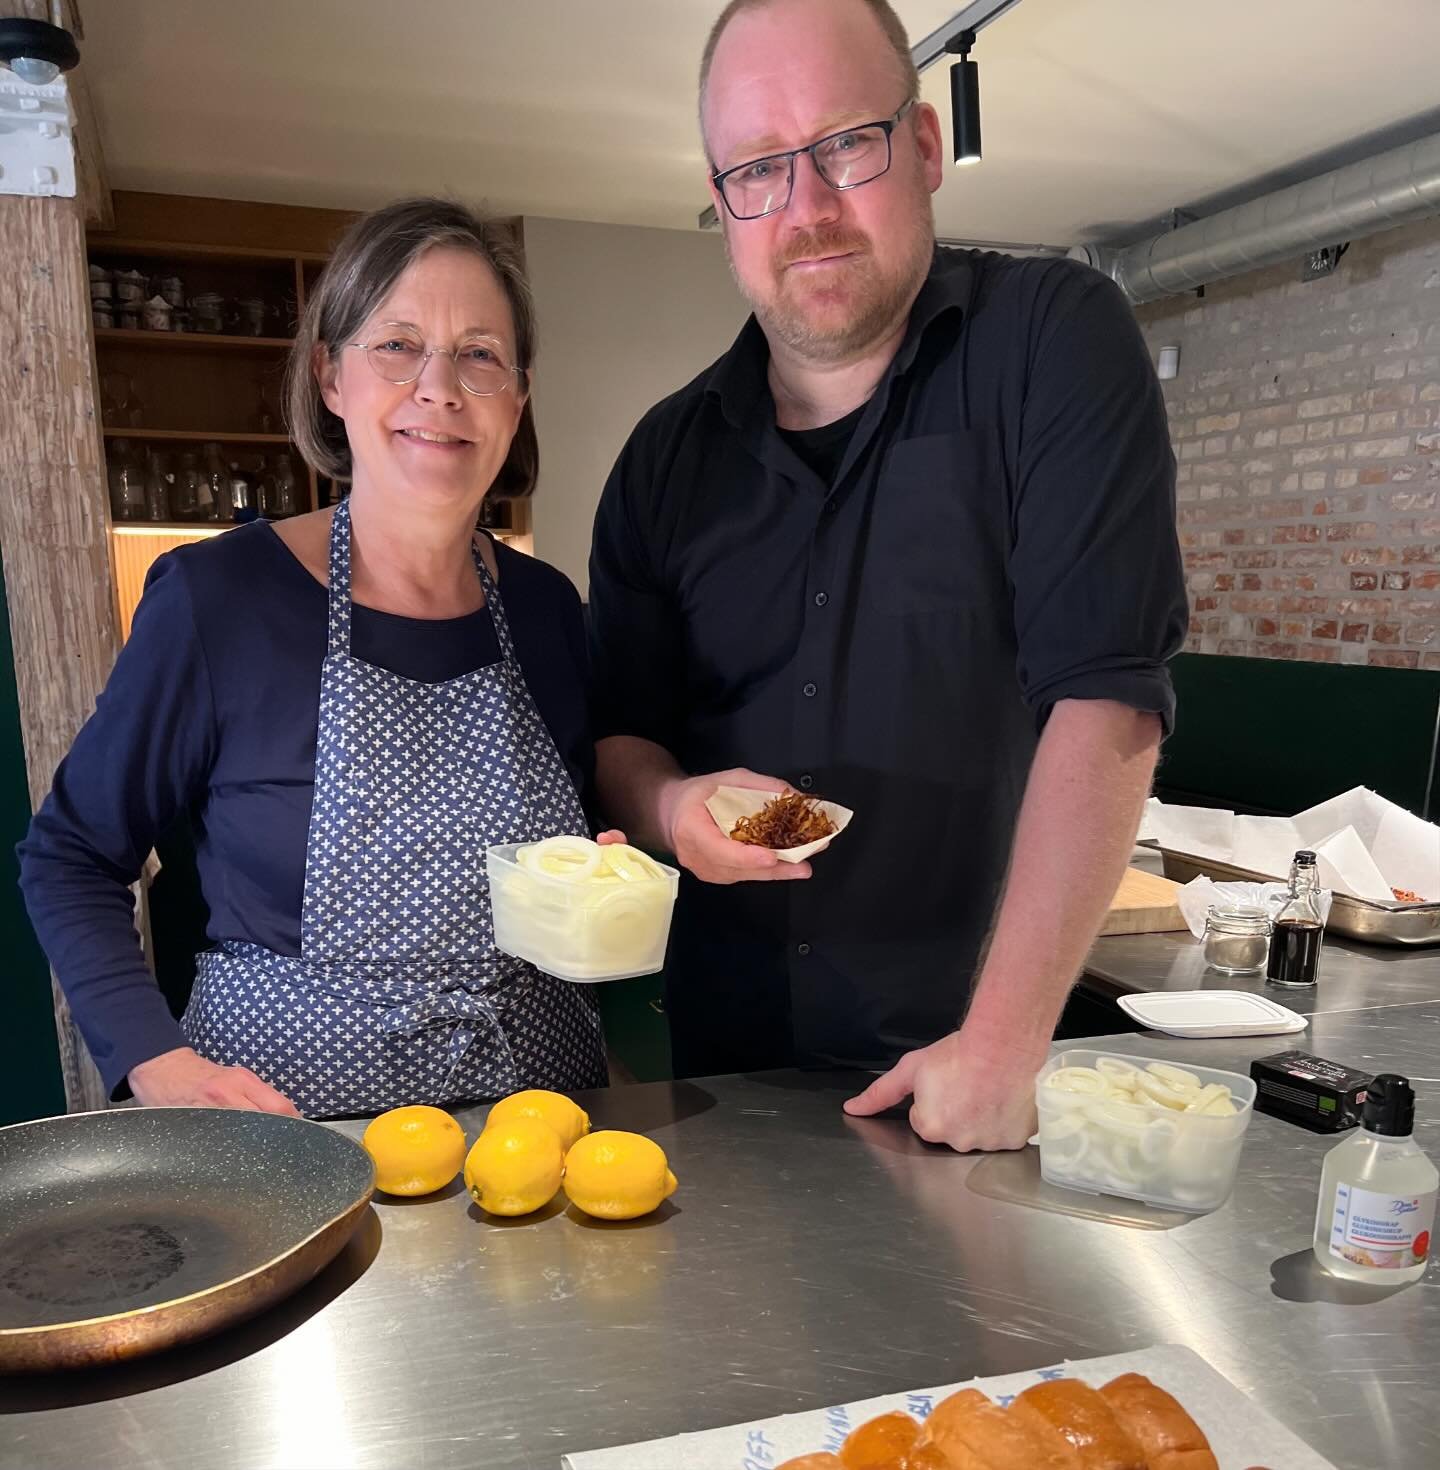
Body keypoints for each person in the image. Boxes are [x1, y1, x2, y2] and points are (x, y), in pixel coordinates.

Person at [587, 0, 1187, 1151]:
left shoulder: (1053, 341)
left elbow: (1109, 697)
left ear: (921, 147)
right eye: (758, 168)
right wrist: (670, 806)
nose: (805, 209)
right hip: (729, 1081)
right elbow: (622, 733)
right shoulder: (664, 459)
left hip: (967, 1073)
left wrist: (1004, 1042)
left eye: (844, 146)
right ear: (722, 207)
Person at [20, 198, 615, 1117]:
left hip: (536, 1126)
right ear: (330, 375)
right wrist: (154, 1059)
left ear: (519, 396)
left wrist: (593, 875)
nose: (439, 388)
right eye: (396, 345)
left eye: (480, 354)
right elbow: (70, 855)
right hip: (288, 1144)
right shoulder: (218, 601)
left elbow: (568, 849)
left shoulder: (546, 611)